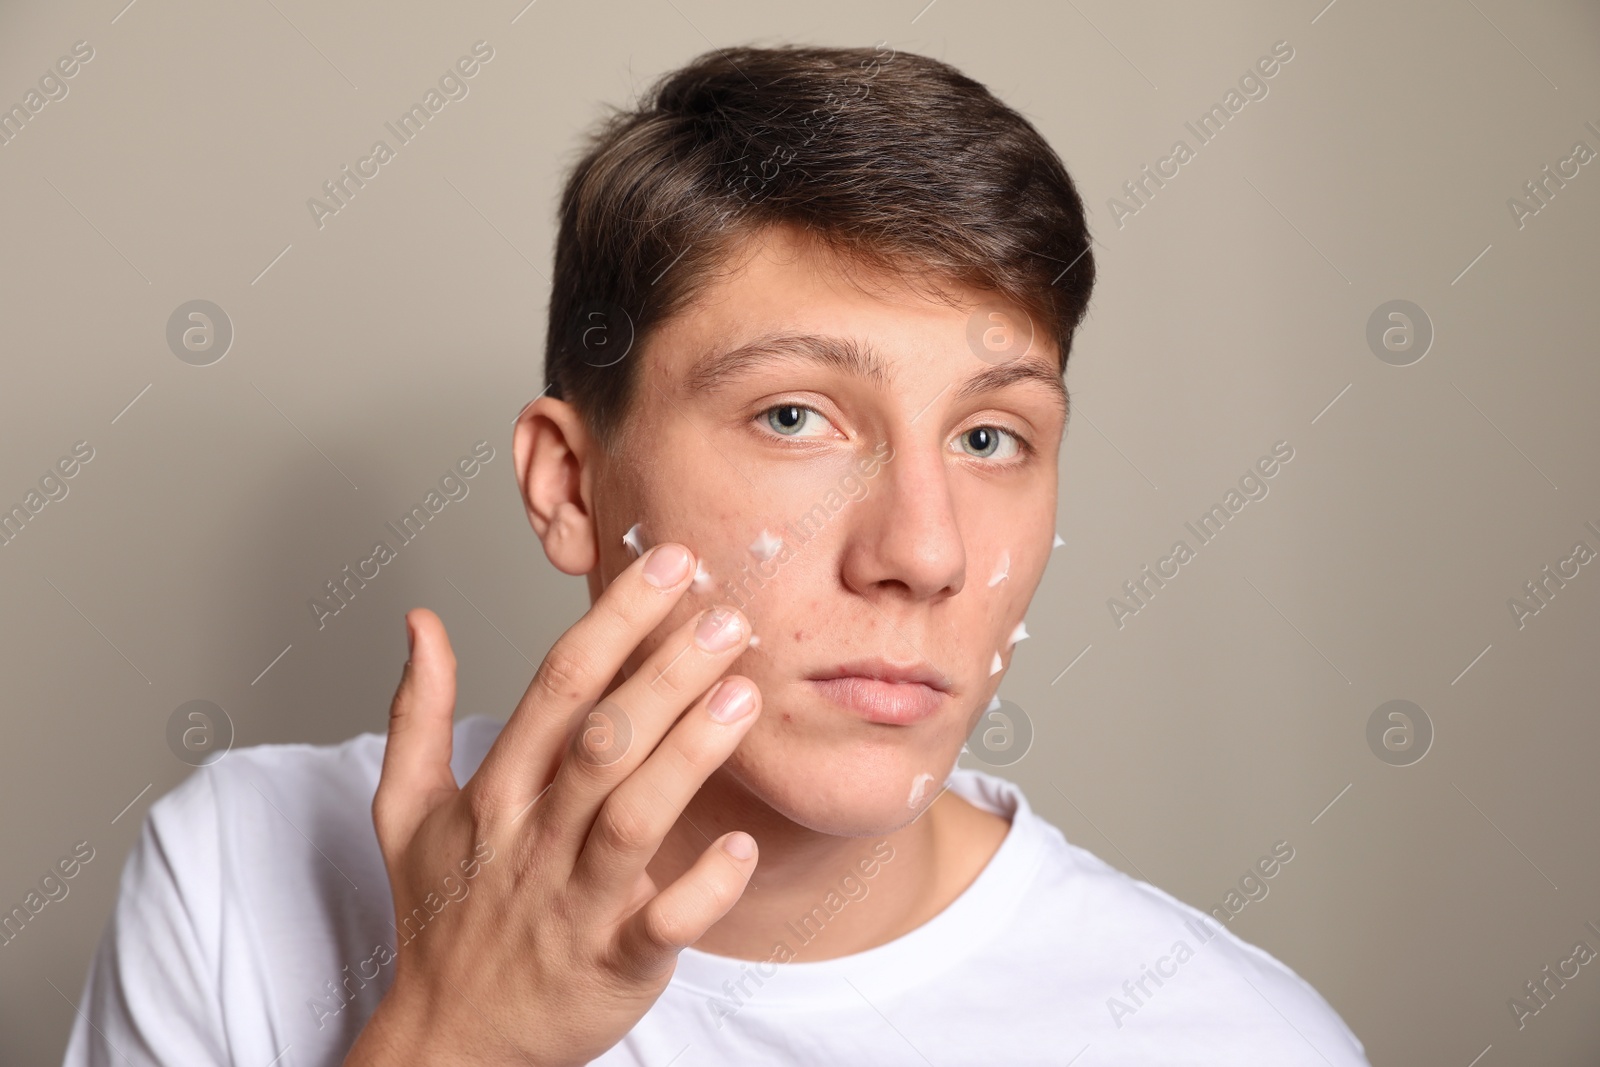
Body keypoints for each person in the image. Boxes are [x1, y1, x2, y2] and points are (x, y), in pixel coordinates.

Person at [65, 45, 1369, 1066]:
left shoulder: (1232, 1042)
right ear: (571, 486)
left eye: (990, 435)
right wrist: (456, 1042)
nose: (923, 552)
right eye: (797, 415)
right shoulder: (241, 876)